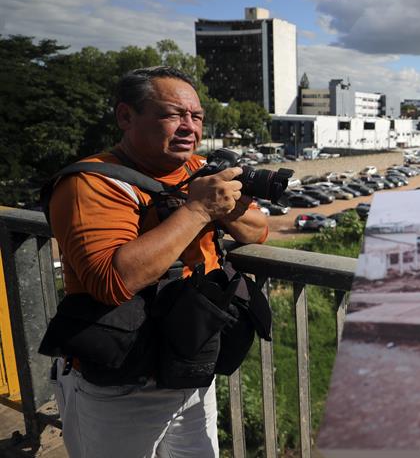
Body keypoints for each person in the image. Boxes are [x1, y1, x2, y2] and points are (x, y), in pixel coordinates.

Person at [48, 66, 268, 458]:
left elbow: (257, 232)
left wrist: (216, 202)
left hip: (189, 364)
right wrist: (199, 210)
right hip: (121, 383)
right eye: (171, 114)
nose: (188, 127)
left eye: (196, 116)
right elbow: (112, 281)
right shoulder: (92, 183)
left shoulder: (199, 170)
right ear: (126, 117)